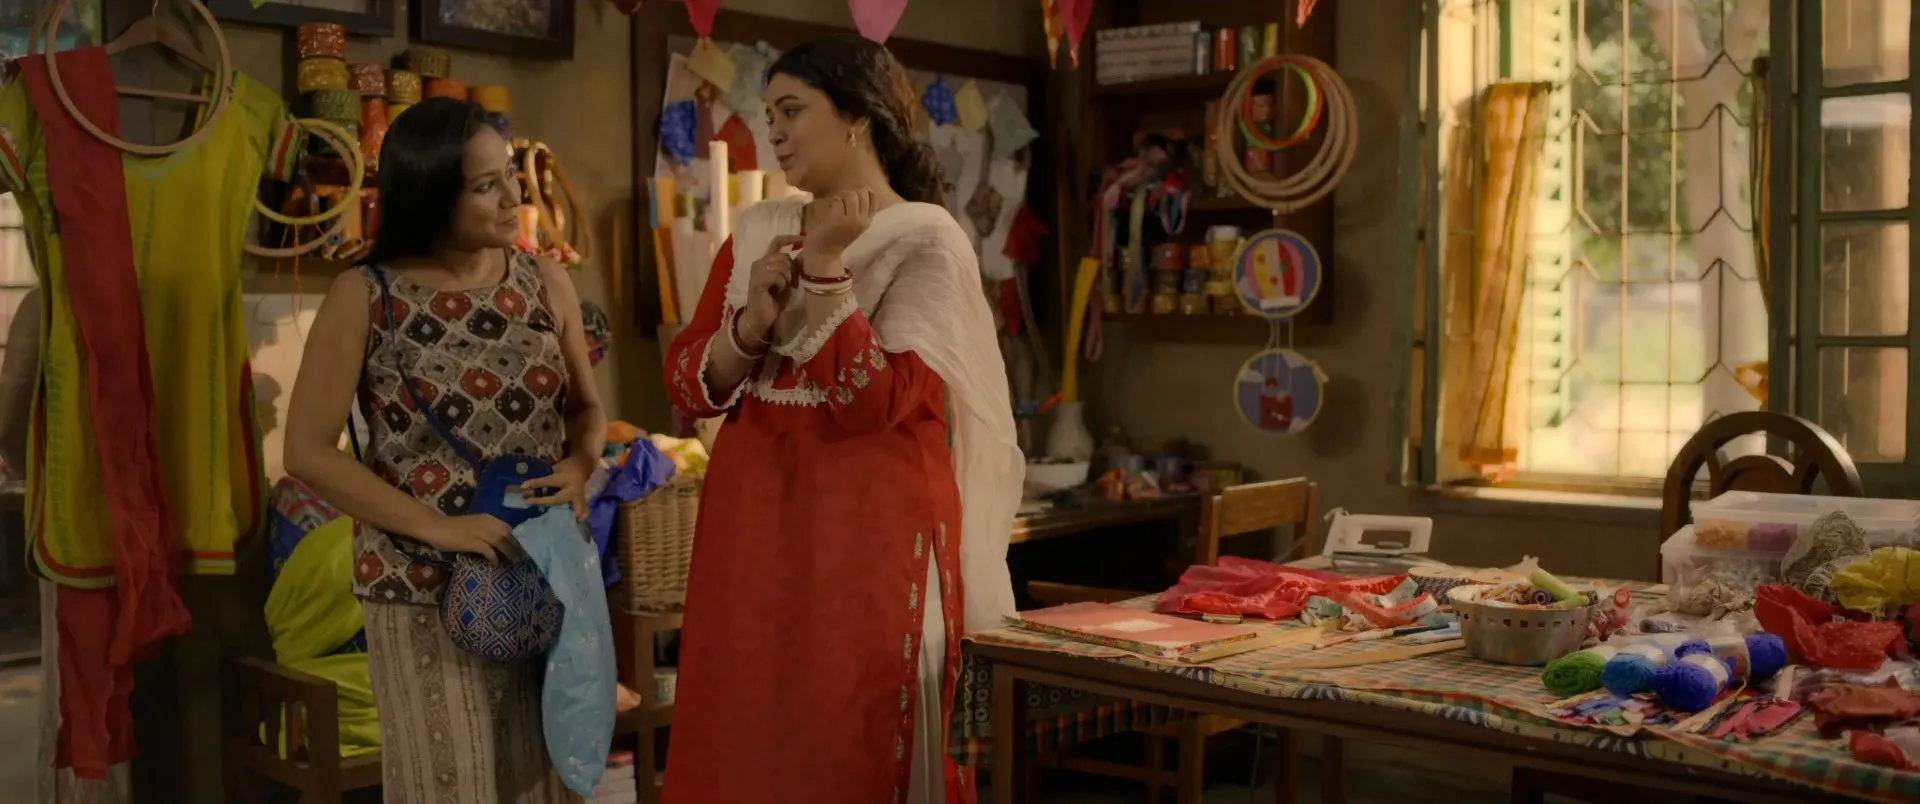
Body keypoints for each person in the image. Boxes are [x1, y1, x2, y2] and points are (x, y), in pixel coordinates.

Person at [662, 34, 1024, 804]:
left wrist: (826, 272)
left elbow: (876, 403)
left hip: (868, 538)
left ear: (858, 117)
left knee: (848, 734)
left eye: (792, 110)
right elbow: (689, 384)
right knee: (747, 728)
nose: (775, 131)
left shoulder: (926, 240)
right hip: (753, 529)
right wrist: (751, 325)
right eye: (769, 115)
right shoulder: (759, 231)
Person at [283, 97, 606, 804]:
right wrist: (440, 527)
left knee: (548, 780)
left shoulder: (544, 280)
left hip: (542, 570)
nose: (513, 197)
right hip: (419, 585)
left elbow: (585, 410)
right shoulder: (364, 296)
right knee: (449, 786)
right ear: (430, 193)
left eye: (510, 174)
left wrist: (581, 465)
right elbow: (306, 451)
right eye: (486, 185)